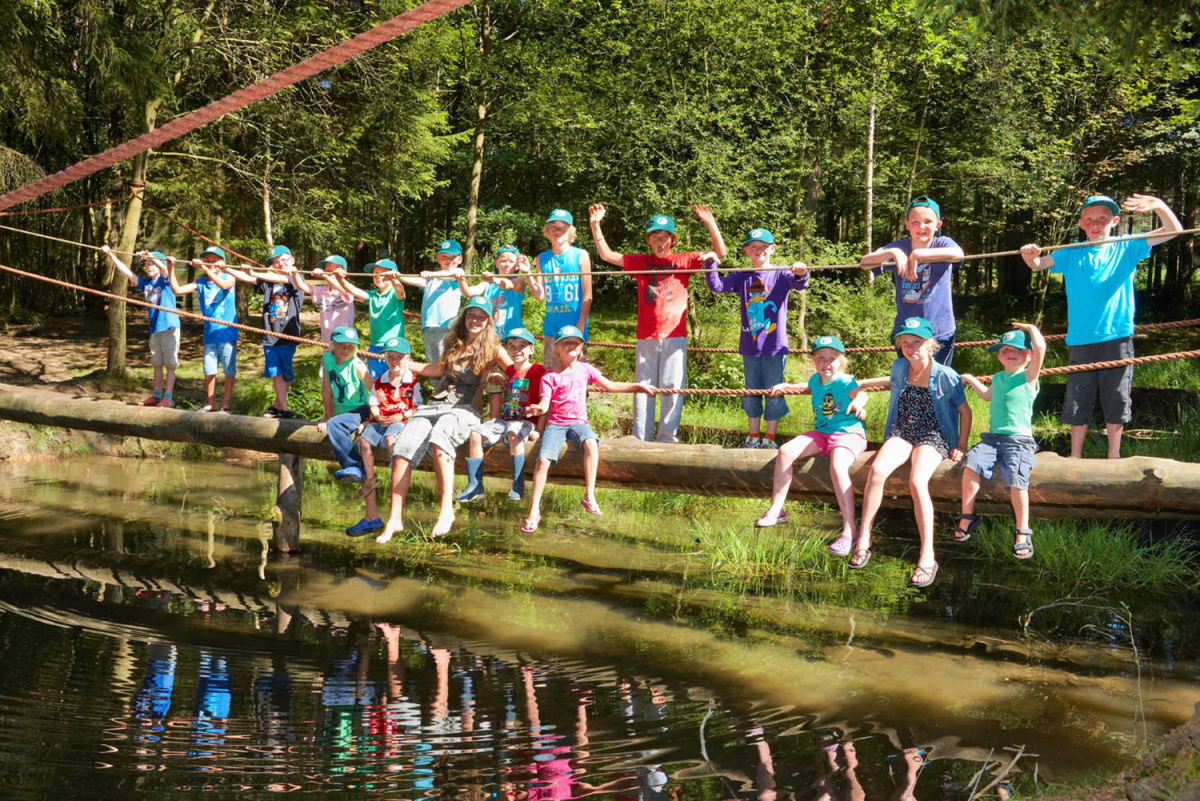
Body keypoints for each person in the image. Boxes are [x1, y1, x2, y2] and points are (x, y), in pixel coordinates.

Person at [1021, 193, 1182, 458]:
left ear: (1114, 221)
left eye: (1102, 218)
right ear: (1081, 224)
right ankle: (1075, 456)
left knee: (1116, 397)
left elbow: (1174, 231)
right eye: (1089, 219)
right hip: (1080, 339)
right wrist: (1030, 255)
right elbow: (1039, 265)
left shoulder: (1127, 245)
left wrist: (1160, 206)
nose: (1096, 223)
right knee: (1078, 398)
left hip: (1117, 337)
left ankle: (1114, 457)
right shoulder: (1072, 252)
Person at [376, 296, 512, 543]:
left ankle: (446, 510)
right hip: (435, 405)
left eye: (481, 316)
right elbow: (438, 370)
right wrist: (404, 364)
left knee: (439, 440)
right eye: (472, 314)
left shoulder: (494, 348)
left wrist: (503, 379)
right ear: (465, 317)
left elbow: (516, 371)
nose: (475, 320)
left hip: (465, 409)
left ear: (488, 321)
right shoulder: (453, 342)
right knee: (402, 447)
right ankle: (394, 517)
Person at [589, 203, 727, 443]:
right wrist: (595, 223)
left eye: (665, 236)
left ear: (672, 240)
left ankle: (667, 438)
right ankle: (639, 438)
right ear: (649, 240)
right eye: (655, 236)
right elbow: (606, 255)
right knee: (642, 389)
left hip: (675, 336)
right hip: (646, 336)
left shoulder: (684, 260)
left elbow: (720, 253)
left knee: (672, 387)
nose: (660, 240)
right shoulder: (640, 261)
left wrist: (709, 222)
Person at [852, 317, 971, 588]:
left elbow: (965, 411)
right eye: (905, 343)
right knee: (878, 470)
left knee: (917, 481)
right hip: (902, 431)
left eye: (916, 342)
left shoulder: (946, 376)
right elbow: (888, 383)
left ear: (929, 344)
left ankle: (927, 555)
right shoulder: (899, 367)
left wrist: (961, 445)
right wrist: (857, 384)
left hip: (934, 434)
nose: (910, 347)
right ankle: (864, 539)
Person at [521, 325, 656, 533]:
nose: (570, 346)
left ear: (582, 347)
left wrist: (637, 386)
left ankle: (589, 494)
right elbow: (545, 405)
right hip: (556, 424)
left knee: (591, 444)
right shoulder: (550, 376)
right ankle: (534, 510)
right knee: (543, 461)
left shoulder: (586, 370)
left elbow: (610, 386)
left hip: (579, 422)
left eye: (575, 343)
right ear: (556, 348)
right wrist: (537, 408)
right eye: (566, 343)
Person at [755, 335, 870, 556]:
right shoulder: (815, 381)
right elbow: (804, 386)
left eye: (832, 358)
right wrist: (785, 386)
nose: (826, 363)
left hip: (848, 433)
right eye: (821, 358)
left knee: (837, 467)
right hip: (822, 433)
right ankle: (777, 510)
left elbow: (861, 393)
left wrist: (858, 403)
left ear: (841, 361)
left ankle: (849, 530)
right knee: (785, 451)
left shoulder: (845, 381)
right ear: (814, 361)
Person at [704, 228, 809, 448]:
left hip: (774, 348)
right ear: (747, 251)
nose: (759, 251)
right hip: (750, 347)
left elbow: (799, 283)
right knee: (751, 392)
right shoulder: (743, 276)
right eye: (754, 247)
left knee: (774, 392)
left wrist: (801, 272)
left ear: (773, 249)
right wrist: (711, 263)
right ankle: (753, 436)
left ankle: (769, 438)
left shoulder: (781, 274)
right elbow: (717, 286)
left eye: (763, 247)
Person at [955, 324, 1046, 559]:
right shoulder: (998, 377)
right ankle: (967, 516)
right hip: (992, 439)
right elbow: (987, 396)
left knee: (1016, 477)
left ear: (1028, 356)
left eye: (1017, 350)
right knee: (971, 464)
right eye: (1005, 349)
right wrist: (971, 379)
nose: (1010, 353)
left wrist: (1030, 328)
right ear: (998, 355)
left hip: (1019, 441)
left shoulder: (1028, 376)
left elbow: (1041, 346)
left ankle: (1023, 531)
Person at [858, 196, 965, 366]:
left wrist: (918, 255)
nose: (921, 227)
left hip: (939, 331)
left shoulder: (942, 244)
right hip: (906, 332)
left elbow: (958, 254)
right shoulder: (900, 247)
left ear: (938, 225)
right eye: (915, 222)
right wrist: (892, 252)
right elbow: (864, 263)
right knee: (911, 382)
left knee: (937, 382)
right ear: (907, 225)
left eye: (928, 221)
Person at [457, 327, 545, 502]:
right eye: (511, 346)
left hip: (525, 421)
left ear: (531, 350)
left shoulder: (538, 371)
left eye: (522, 346)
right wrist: (501, 381)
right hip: (505, 420)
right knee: (475, 434)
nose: (516, 350)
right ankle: (475, 486)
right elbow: (512, 394)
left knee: (514, 433)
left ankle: (518, 484)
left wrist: (540, 429)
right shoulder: (510, 370)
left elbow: (545, 402)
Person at [346, 337, 423, 537]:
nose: (394, 361)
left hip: (399, 420)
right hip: (380, 420)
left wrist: (402, 415)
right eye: (390, 357)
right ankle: (370, 478)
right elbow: (373, 401)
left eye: (398, 357)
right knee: (364, 440)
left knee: (391, 441)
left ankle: (393, 479)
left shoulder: (412, 381)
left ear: (407, 358)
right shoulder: (381, 380)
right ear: (386, 359)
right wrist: (376, 413)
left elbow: (417, 407)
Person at [165, 245, 248, 413]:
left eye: (214, 261)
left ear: (222, 263)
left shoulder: (229, 277)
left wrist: (203, 268)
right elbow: (177, 290)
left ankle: (226, 403)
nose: (210, 264)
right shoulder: (201, 283)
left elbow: (224, 286)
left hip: (227, 334)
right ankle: (211, 403)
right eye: (207, 261)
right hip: (209, 335)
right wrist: (171, 267)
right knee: (209, 370)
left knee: (228, 369)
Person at [101, 246, 181, 407]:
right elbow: (126, 271)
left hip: (170, 327)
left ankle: (168, 397)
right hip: (155, 329)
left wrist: (150, 255)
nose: (149, 266)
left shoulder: (165, 280)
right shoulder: (146, 283)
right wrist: (110, 255)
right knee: (157, 363)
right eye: (146, 264)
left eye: (152, 263)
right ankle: (156, 395)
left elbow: (164, 268)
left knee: (170, 364)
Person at [240, 244, 307, 418]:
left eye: (283, 260)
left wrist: (253, 272)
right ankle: (281, 406)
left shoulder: (297, 277)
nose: (280, 264)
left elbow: (286, 279)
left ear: (292, 260)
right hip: (270, 332)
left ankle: (280, 406)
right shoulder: (269, 281)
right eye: (276, 262)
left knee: (285, 371)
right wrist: (221, 268)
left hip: (288, 332)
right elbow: (247, 279)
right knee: (274, 371)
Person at [529, 209, 592, 372]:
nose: (557, 231)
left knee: (575, 376)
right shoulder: (541, 258)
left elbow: (588, 295)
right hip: (552, 329)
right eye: (553, 227)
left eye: (562, 227)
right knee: (551, 375)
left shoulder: (581, 255)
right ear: (547, 231)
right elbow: (539, 295)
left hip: (575, 326)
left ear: (570, 231)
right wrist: (528, 274)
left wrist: (580, 325)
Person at [336, 257, 414, 380]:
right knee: (377, 381)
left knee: (397, 379)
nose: (378, 276)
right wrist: (339, 278)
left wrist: (394, 279)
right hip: (375, 346)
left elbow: (400, 291)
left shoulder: (394, 294)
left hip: (394, 347)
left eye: (382, 273)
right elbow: (353, 290)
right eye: (375, 274)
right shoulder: (372, 295)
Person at [316, 326, 372, 484]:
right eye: (341, 344)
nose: (345, 349)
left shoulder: (357, 365)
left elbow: (376, 392)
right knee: (333, 422)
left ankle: (355, 467)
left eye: (350, 346)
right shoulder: (327, 360)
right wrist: (327, 416)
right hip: (344, 413)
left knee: (336, 424)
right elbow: (326, 389)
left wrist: (370, 420)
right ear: (333, 345)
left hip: (361, 410)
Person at [455, 245, 531, 341]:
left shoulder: (519, 281)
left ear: (517, 266)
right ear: (497, 264)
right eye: (503, 261)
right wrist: (460, 279)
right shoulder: (488, 285)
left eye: (511, 262)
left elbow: (507, 285)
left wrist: (494, 279)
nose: (507, 264)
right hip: (490, 337)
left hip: (511, 337)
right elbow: (467, 292)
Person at [413, 240, 468, 363]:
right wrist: (396, 276)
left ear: (460, 259)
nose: (448, 260)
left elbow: (451, 275)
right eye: (444, 257)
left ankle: (450, 382)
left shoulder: (458, 273)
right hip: (428, 326)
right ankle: (435, 383)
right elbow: (413, 280)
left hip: (445, 327)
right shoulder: (432, 280)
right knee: (432, 362)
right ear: (438, 259)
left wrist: (431, 274)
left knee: (445, 363)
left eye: (452, 257)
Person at [306, 254, 356, 345]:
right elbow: (303, 286)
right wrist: (293, 273)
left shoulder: (348, 290)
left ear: (344, 273)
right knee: (327, 359)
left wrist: (325, 276)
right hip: (327, 341)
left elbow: (342, 289)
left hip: (345, 341)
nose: (331, 274)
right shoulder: (322, 290)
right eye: (328, 271)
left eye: (335, 271)